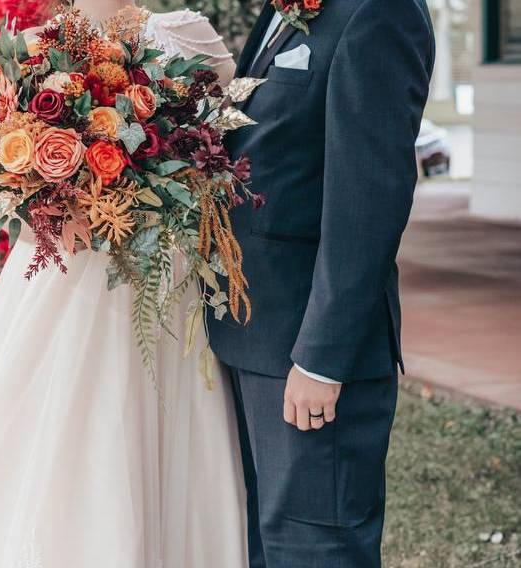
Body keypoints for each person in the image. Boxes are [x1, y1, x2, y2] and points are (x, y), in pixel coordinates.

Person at [0, 2, 250, 567]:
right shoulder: (28, 51)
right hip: (57, 282)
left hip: (158, 281)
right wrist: (52, 204)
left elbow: (225, 155)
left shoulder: (187, 38)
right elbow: (0, 188)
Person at [208, 0, 435, 566]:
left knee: (317, 548)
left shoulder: (381, 13)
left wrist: (321, 360)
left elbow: (369, 201)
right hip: (252, 337)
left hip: (307, 351)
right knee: (266, 545)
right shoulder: (285, 10)